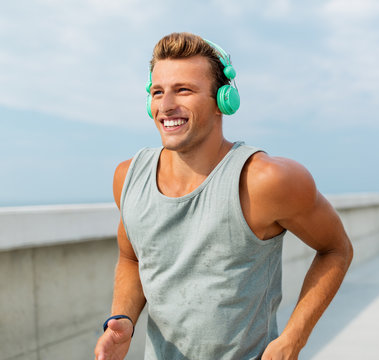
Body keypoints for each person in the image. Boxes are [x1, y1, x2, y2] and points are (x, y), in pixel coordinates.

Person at [93, 32, 353, 360]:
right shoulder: (128, 177)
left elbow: (336, 249)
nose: (166, 105)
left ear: (223, 100)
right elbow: (132, 259)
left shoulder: (265, 180)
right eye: (158, 92)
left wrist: (293, 338)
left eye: (183, 90)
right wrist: (123, 319)